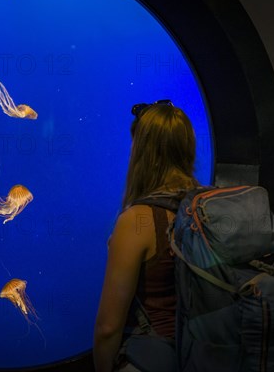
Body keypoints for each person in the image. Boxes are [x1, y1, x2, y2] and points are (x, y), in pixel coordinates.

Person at [93, 100, 199, 372]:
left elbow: (108, 327)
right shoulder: (206, 207)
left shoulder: (138, 220)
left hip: (152, 359)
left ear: (143, 152)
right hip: (200, 357)